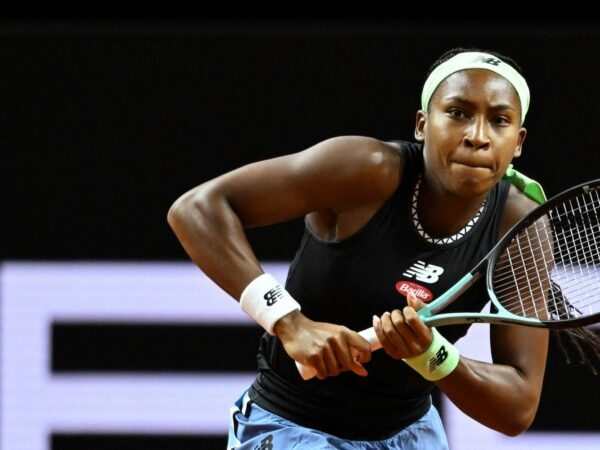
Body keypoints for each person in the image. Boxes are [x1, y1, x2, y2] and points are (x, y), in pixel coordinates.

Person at [167, 47, 560, 449]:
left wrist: (431, 354)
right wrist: (289, 323)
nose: (477, 136)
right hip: (292, 427)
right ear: (423, 124)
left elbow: (517, 408)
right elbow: (198, 209)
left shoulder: (520, 227)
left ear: (518, 142)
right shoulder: (365, 169)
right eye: (458, 113)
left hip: (410, 434)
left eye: (498, 121)